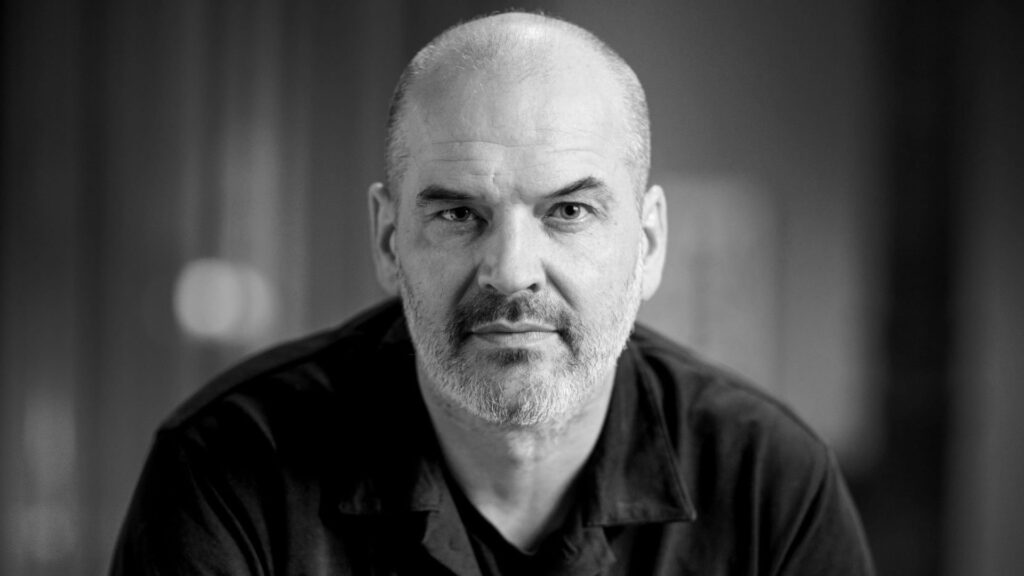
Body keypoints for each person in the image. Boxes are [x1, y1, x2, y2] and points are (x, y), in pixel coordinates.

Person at [111, 11, 874, 575]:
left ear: (647, 244)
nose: (511, 271)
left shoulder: (772, 486)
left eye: (568, 212)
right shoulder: (226, 469)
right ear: (388, 239)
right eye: (458, 214)